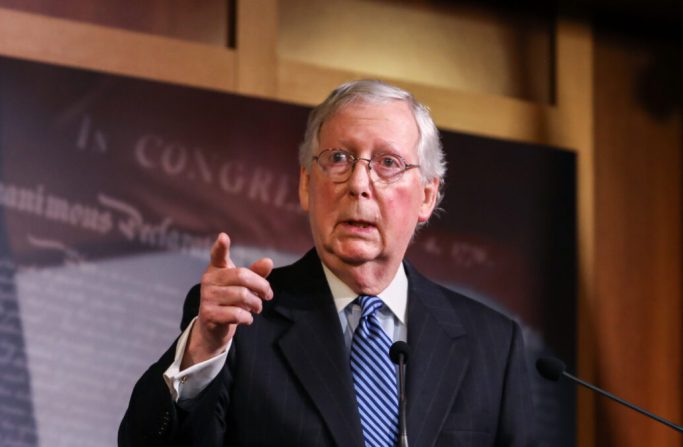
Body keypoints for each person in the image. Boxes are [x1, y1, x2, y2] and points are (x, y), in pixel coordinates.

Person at [118, 80, 535, 446]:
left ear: (426, 196)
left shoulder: (493, 348)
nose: (358, 184)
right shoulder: (241, 321)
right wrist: (201, 354)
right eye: (339, 159)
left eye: (387, 163)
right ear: (305, 184)